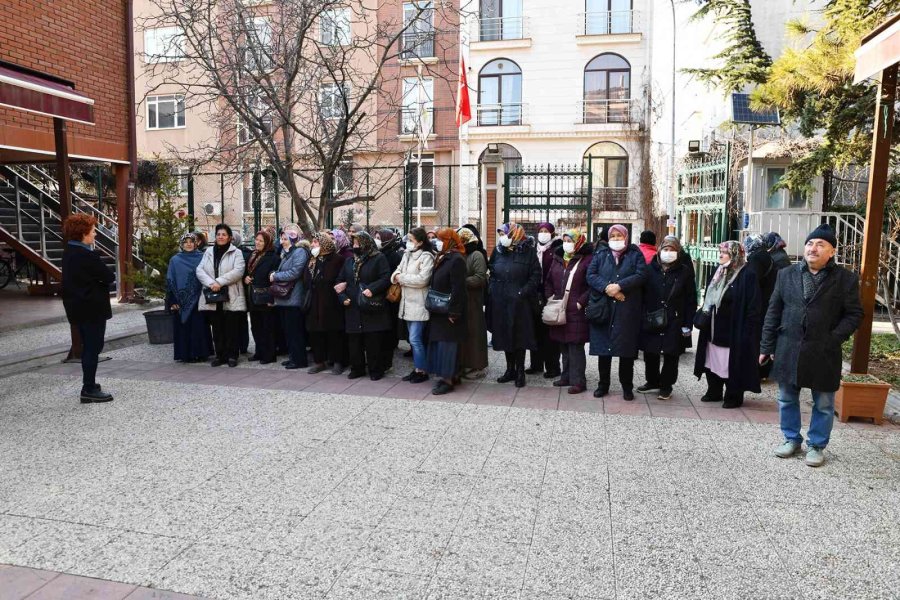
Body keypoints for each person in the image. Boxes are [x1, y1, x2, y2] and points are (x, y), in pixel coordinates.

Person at [761, 224, 863, 467]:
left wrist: (834, 338)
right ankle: (791, 439)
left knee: (825, 403)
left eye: (820, 244)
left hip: (824, 350)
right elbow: (773, 311)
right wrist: (766, 346)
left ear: (832, 252)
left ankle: (817, 445)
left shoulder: (845, 280)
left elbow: (854, 314)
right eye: (809, 243)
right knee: (786, 398)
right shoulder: (786, 275)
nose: (813, 248)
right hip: (789, 346)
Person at [693, 241, 762, 408]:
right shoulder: (719, 272)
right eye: (721, 253)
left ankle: (733, 395)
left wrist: (749, 330)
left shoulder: (747, 274)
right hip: (713, 328)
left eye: (725, 253)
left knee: (731, 362)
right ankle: (714, 391)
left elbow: (754, 305)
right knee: (712, 360)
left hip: (733, 329)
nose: (721, 256)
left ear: (735, 255)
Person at [587, 224, 648, 399]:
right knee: (603, 351)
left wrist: (620, 286)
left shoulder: (635, 255)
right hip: (604, 309)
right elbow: (591, 275)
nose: (615, 239)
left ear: (626, 237)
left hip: (626, 310)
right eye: (612, 236)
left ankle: (627, 387)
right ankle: (603, 385)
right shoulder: (601, 255)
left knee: (626, 352)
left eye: (619, 236)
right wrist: (607, 288)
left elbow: (641, 275)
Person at [61, 214, 116, 403]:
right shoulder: (86, 255)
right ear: (83, 233)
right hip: (91, 309)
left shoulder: (69, 252)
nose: (95, 235)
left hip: (77, 308)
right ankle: (88, 388)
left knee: (89, 347)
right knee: (93, 348)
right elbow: (109, 277)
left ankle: (90, 383)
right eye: (93, 231)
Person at [637, 236, 696, 400]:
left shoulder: (684, 271)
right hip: (652, 316)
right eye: (666, 249)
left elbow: (691, 298)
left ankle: (666, 385)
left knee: (671, 353)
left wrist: (687, 324)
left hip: (675, 318)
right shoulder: (650, 269)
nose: (669, 253)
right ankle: (652, 381)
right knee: (651, 351)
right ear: (660, 250)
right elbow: (642, 294)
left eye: (673, 250)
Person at [488, 223, 542, 388]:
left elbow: (535, 275)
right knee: (505, 336)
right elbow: (491, 270)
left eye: (506, 234)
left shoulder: (528, 252)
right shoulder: (498, 252)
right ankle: (509, 369)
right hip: (500, 300)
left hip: (520, 303)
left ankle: (520, 371)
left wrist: (522, 292)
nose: (502, 237)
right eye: (501, 234)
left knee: (519, 337)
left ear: (515, 235)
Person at [336, 231, 392, 380]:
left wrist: (372, 289)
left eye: (357, 243)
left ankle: (376, 370)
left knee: (373, 342)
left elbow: (386, 278)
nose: (354, 246)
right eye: (353, 243)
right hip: (352, 306)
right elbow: (340, 281)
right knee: (354, 342)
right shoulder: (349, 261)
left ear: (366, 243)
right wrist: (342, 296)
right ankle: (357, 368)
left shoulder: (378, 258)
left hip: (371, 306)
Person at [544, 229, 594, 394]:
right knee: (563, 344)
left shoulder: (587, 260)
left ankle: (579, 381)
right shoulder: (558, 259)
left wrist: (581, 302)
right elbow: (549, 280)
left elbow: (591, 285)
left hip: (575, 309)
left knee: (575, 346)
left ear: (578, 242)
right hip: (559, 307)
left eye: (570, 240)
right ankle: (566, 376)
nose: (567, 243)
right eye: (565, 240)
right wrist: (550, 295)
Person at [197, 223, 247, 367]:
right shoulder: (208, 252)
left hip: (230, 293)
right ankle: (220, 355)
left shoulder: (236, 252)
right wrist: (211, 283)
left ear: (230, 237)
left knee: (231, 327)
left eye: (224, 234)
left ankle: (232, 355)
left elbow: (238, 271)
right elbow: (200, 270)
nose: (220, 237)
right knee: (217, 327)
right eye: (218, 234)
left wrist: (219, 282)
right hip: (212, 294)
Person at [426, 228, 468, 395]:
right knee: (442, 344)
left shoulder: (456, 259)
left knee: (448, 346)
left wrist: (454, 312)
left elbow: (459, 289)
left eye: (441, 239)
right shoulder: (443, 256)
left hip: (449, 311)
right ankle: (452, 375)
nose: (437, 241)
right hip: (439, 309)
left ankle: (447, 380)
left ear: (450, 240)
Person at [391, 227, 435, 384]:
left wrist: (401, 278)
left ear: (421, 242)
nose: (408, 242)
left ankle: (422, 371)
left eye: (411, 240)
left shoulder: (427, 256)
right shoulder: (407, 255)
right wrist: (399, 276)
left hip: (418, 303)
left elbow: (422, 280)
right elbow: (395, 273)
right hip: (406, 303)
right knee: (413, 340)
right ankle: (417, 368)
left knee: (415, 339)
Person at [166, 233, 212, 363]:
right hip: (181, 299)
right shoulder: (175, 260)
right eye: (185, 242)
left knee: (199, 326)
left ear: (196, 243)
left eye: (191, 241)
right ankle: (186, 354)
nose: (188, 244)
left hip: (199, 297)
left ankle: (202, 353)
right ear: (181, 244)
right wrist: (173, 300)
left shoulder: (202, 258)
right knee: (184, 327)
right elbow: (170, 280)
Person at [305, 232, 348, 374]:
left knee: (334, 332)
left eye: (316, 242)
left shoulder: (337, 259)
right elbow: (307, 278)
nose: (313, 245)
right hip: (315, 300)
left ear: (324, 244)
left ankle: (337, 361)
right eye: (313, 242)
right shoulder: (313, 259)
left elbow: (338, 278)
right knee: (316, 332)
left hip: (331, 301)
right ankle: (319, 361)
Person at [270, 224, 310, 369]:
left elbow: (295, 272)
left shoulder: (299, 252)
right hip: (285, 299)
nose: (282, 241)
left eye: (285, 238)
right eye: (281, 238)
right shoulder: (287, 253)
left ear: (293, 239)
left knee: (295, 331)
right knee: (288, 331)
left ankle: (299, 360)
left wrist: (276, 276)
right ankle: (293, 356)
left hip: (293, 298)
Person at [528, 222, 562, 378]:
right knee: (534, 331)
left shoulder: (557, 249)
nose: (543, 233)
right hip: (534, 295)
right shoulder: (533, 249)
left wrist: (551, 293)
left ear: (552, 233)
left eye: (546, 231)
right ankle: (536, 364)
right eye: (540, 231)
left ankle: (553, 367)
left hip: (550, 296)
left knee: (550, 334)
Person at [457, 226, 489, 378]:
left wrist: (459, 281)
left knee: (475, 333)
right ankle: (466, 363)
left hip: (473, 301)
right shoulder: (460, 254)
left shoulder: (476, 255)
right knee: (465, 334)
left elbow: (479, 278)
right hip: (462, 300)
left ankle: (477, 366)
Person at [244, 230, 279, 365]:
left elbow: (274, 280)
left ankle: (269, 354)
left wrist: (272, 298)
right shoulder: (252, 255)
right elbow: (246, 272)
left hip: (265, 296)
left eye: (261, 241)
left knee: (267, 327)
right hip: (253, 295)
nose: (258, 243)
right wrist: (245, 278)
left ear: (267, 243)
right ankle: (259, 351)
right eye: (257, 240)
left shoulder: (273, 257)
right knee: (255, 326)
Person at [376, 228, 405, 373]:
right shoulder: (379, 254)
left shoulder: (394, 256)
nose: (377, 240)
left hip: (390, 296)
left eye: (379, 237)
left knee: (390, 324)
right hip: (380, 295)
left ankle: (391, 348)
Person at [232, 231, 252, 355]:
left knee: (240, 319)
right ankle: (242, 346)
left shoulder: (244, 253)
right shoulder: (247, 253)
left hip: (241, 289)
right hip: (240, 289)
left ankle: (242, 346)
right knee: (241, 320)